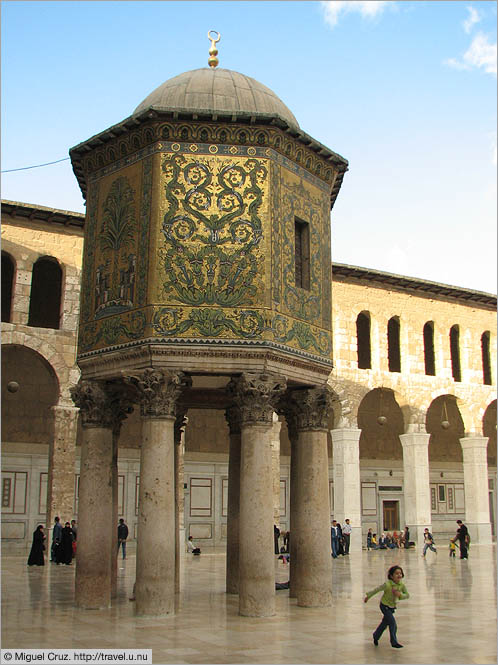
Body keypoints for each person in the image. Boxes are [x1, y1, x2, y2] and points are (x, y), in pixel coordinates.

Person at [364, 564, 409, 649]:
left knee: (384, 624)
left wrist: (400, 595)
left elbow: (407, 595)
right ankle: (394, 642)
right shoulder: (387, 584)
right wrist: (368, 596)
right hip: (384, 606)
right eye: (396, 573)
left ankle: (376, 636)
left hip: (392, 607)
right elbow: (377, 590)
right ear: (391, 576)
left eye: (400, 573)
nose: (399, 575)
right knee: (392, 623)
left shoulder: (401, 585)